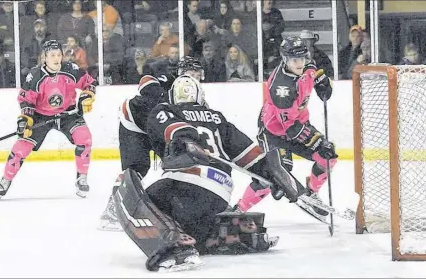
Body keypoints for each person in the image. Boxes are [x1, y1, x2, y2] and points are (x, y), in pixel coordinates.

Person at [113, 73, 305, 272]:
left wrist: (185, 139)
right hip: (219, 195)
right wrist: (274, 175)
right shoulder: (218, 119)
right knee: (193, 223)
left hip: (185, 186)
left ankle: (176, 246)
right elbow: (249, 154)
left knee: (143, 202)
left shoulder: (165, 109)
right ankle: (234, 234)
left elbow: (172, 127)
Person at [235, 36, 338, 222]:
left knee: (327, 157)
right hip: (273, 132)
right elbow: (290, 129)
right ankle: (238, 209)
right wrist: (317, 141)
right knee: (272, 176)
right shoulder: (281, 88)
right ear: (285, 59)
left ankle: (312, 193)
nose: (300, 63)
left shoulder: (307, 66)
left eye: (302, 58)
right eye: (294, 59)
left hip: (299, 124)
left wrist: (323, 84)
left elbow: (315, 75)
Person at [98, 56, 204, 231]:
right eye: (191, 73)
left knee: (179, 166)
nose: (194, 78)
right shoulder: (166, 80)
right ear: (180, 73)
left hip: (158, 129)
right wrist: (163, 99)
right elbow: (146, 81)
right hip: (135, 123)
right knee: (137, 168)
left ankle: (180, 207)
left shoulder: (196, 95)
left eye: (197, 74)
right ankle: (112, 210)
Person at [0, 40, 97, 199]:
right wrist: (25, 120)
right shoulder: (35, 75)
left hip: (68, 114)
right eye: (52, 55)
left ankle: (81, 178)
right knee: (21, 148)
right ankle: (5, 179)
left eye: (58, 55)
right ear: (45, 58)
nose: (56, 58)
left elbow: (89, 83)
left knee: (84, 139)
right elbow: (26, 99)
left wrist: (86, 96)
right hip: (40, 116)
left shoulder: (71, 69)